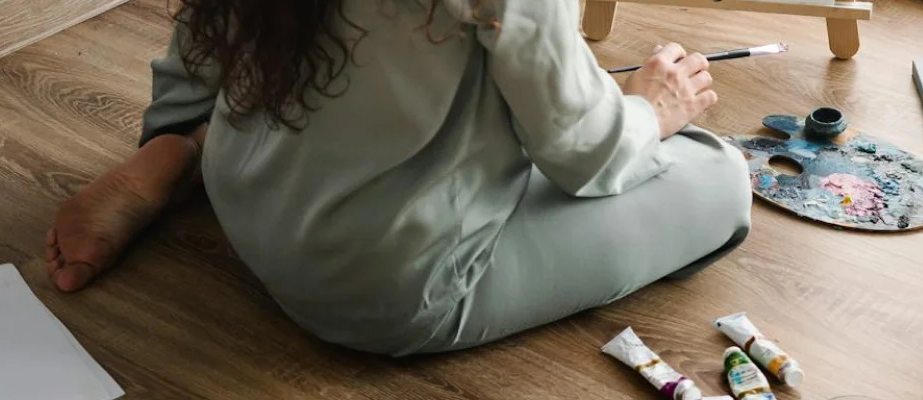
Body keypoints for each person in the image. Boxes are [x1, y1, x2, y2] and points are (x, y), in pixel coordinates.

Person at [42, 0, 752, 356]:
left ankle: (180, 148)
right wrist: (652, 110)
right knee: (717, 174)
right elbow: (582, 155)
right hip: (375, 287)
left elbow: (203, 34)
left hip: (246, 190)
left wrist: (172, 119)